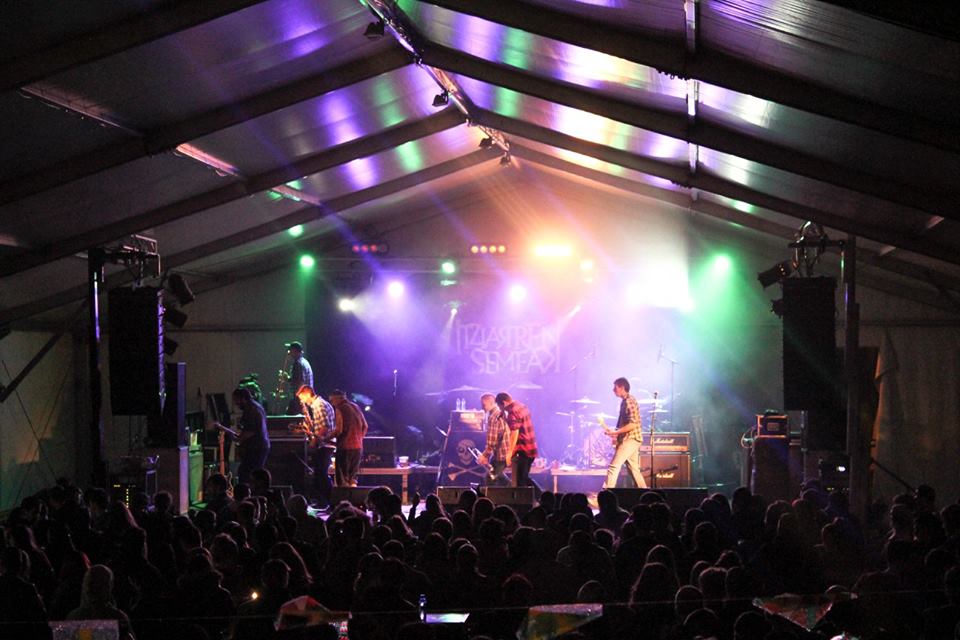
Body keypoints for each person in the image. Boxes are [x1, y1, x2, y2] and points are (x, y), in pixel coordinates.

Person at [602, 377, 647, 489]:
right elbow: (624, 424)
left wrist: (616, 432)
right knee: (634, 469)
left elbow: (633, 424)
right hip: (630, 438)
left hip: (631, 439)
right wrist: (614, 433)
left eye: (615, 387)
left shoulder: (629, 401)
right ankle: (645, 493)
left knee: (614, 466)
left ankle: (605, 494)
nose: (613, 390)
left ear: (622, 387)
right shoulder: (624, 401)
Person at [296, 385, 337, 506]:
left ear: (307, 394)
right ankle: (326, 501)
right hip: (325, 444)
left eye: (302, 398)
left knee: (321, 475)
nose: (302, 402)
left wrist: (313, 443)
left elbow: (324, 427)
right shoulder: (322, 404)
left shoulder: (318, 405)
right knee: (320, 474)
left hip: (324, 445)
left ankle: (329, 501)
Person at [495, 392, 540, 490]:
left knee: (521, 481)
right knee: (524, 477)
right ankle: (541, 495)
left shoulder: (512, 412)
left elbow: (514, 433)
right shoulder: (520, 405)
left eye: (499, 406)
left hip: (524, 449)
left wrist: (509, 453)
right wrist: (503, 413)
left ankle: (539, 495)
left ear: (504, 403)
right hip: (531, 446)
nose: (500, 409)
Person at [329, 389, 368, 487]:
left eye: (332, 401)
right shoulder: (356, 406)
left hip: (345, 448)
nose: (332, 404)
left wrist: (326, 438)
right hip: (358, 448)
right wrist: (358, 438)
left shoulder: (340, 408)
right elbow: (365, 426)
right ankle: (354, 496)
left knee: (343, 480)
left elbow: (339, 430)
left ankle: (343, 496)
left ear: (338, 398)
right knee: (353, 479)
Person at [232, 387, 270, 484]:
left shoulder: (250, 410)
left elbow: (250, 431)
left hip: (255, 448)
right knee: (255, 474)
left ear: (243, 399)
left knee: (245, 473)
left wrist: (238, 439)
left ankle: (246, 492)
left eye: (237, 400)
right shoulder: (257, 407)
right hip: (261, 446)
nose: (236, 404)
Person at [477, 393, 510, 486]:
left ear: (491, 403)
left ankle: (514, 491)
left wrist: (484, 456)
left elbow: (492, 442)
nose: (482, 407)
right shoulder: (503, 412)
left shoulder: (493, 417)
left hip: (501, 453)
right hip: (506, 451)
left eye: (484, 405)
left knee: (490, 479)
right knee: (496, 476)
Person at [284, 341, 313, 414]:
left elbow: (299, 382)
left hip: (300, 397)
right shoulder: (304, 362)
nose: (289, 353)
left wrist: (287, 379)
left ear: (295, 351)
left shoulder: (298, 363)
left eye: (290, 350)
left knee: (293, 417)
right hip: (306, 396)